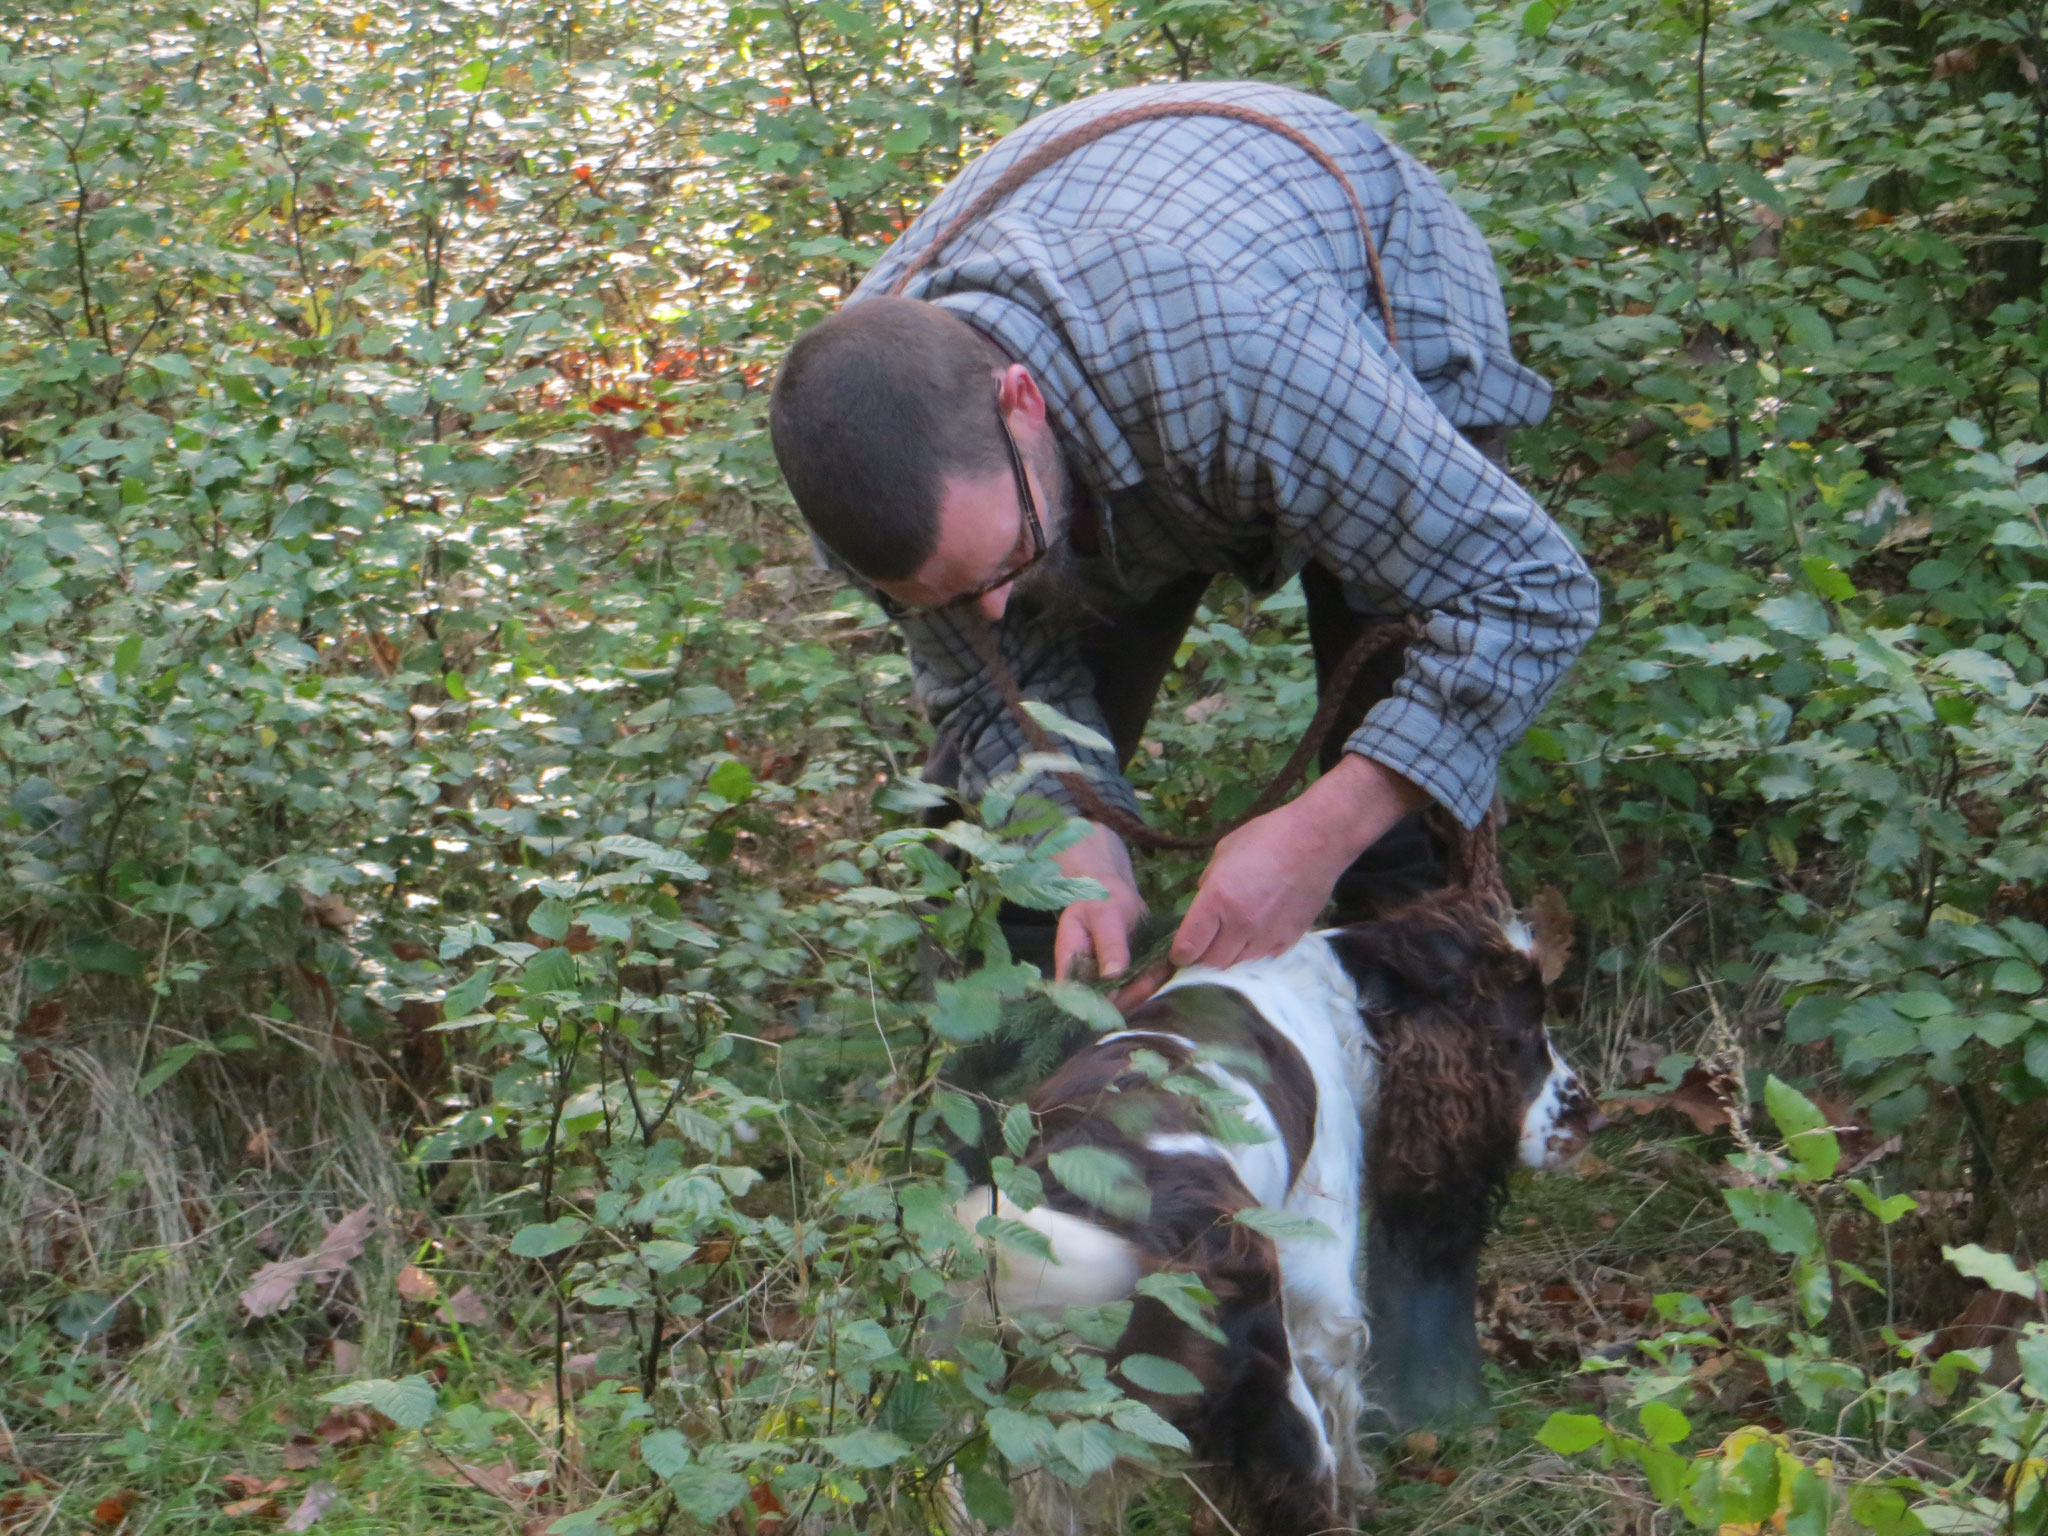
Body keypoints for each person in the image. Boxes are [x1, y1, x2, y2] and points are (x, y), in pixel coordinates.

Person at [768, 80, 1599, 995]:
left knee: (1390, 816)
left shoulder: (1246, 355)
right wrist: (1072, 833)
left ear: (1022, 404)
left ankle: (1435, 1091)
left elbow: (1530, 594)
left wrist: (1318, 832)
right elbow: (987, 681)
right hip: (1131, 372)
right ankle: (1023, 1099)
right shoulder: (859, 458)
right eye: (952, 595)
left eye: (1005, 564)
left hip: (1356, 280)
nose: (996, 610)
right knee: (1029, 859)